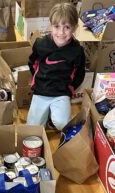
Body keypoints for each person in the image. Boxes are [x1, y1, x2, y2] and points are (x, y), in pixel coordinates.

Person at [27, 3, 85, 131]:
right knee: (32, 128)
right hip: (40, 91)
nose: (61, 32)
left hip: (61, 93)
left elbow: (80, 74)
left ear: (74, 27)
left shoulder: (77, 51)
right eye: (57, 26)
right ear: (50, 26)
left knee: (63, 124)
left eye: (67, 27)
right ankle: (47, 115)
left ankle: (53, 119)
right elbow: (32, 63)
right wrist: (37, 81)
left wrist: (69, 89)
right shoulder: (40, 44)